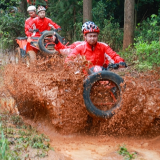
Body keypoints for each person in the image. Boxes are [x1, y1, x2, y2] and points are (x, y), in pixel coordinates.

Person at [53, 21, 127, 70]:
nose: (92, 38)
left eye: (94, 36)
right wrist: (57, 43)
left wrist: (120, 62)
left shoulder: (103, 46)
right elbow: (67, 53)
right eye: (90, 36)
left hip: (101, 72)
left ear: (97, 36)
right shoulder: (79, 46)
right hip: (83, 73)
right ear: (85, 36)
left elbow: (113, 56)